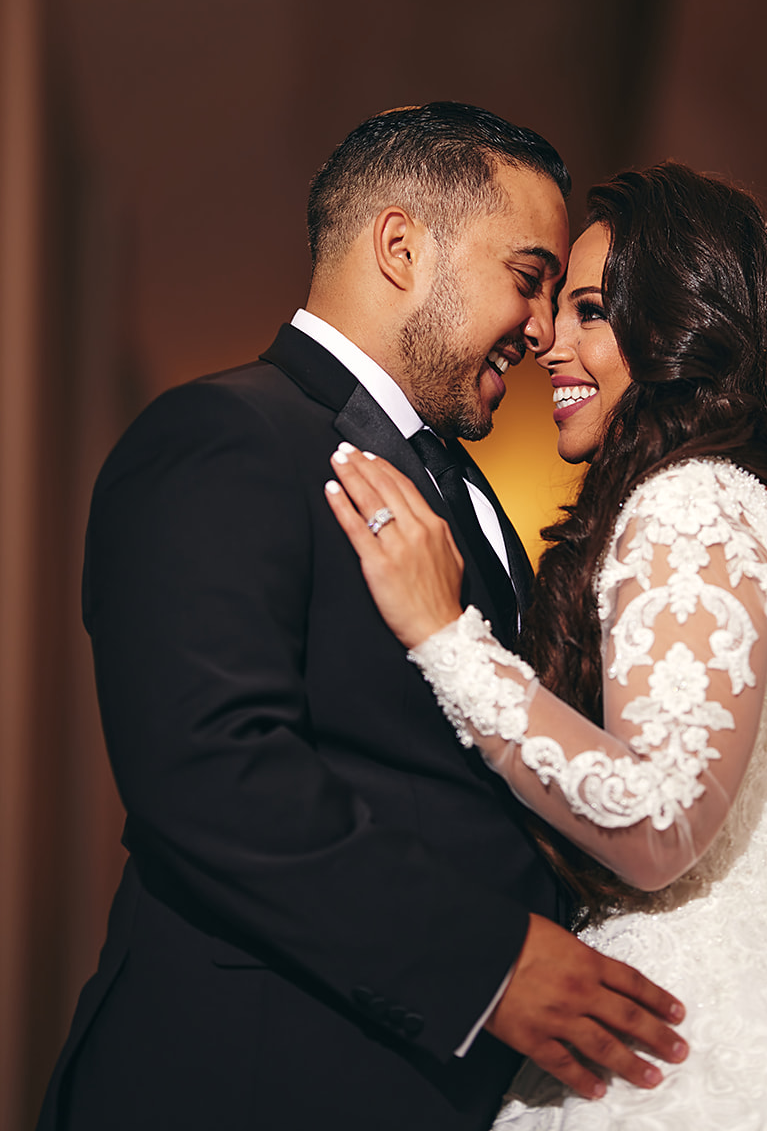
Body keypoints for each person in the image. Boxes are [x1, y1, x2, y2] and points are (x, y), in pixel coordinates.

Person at [36, 105, 688, 1131]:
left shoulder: (471, 493)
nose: (540, 328)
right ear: (399, 247)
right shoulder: (222, 436)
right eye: (527, 277)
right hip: (247, 1078)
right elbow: (208, 766)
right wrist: (486, 963)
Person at [326, 162, 767, 1130]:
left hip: (701, 1056)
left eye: (592, 312)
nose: (550, 343)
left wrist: (445, 638)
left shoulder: (688, 505)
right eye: (558, 308)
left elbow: (656, 817)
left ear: (678, 331)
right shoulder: (733, 504)